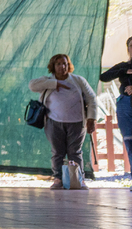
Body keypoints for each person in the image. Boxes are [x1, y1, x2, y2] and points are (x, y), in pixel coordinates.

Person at [30, 54, 96, 188]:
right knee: (57, 152)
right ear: (53, 66)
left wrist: (91, 118)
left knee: (75, 152)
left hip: (77, 122)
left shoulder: (78, 80)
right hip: (53, 122)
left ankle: (77, 179)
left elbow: (92, 99)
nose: (62, 67)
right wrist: (55, 83)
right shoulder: (47, 81)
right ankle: (58, 179)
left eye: (65, 64)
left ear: (69, 65)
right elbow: (32, 86)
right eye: (58, 64)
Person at [100, 36, 132, 188]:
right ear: (127, 49)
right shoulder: (123, 66)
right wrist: (123, 70)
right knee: (130, 141)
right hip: (126, 107)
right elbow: (103, 77)